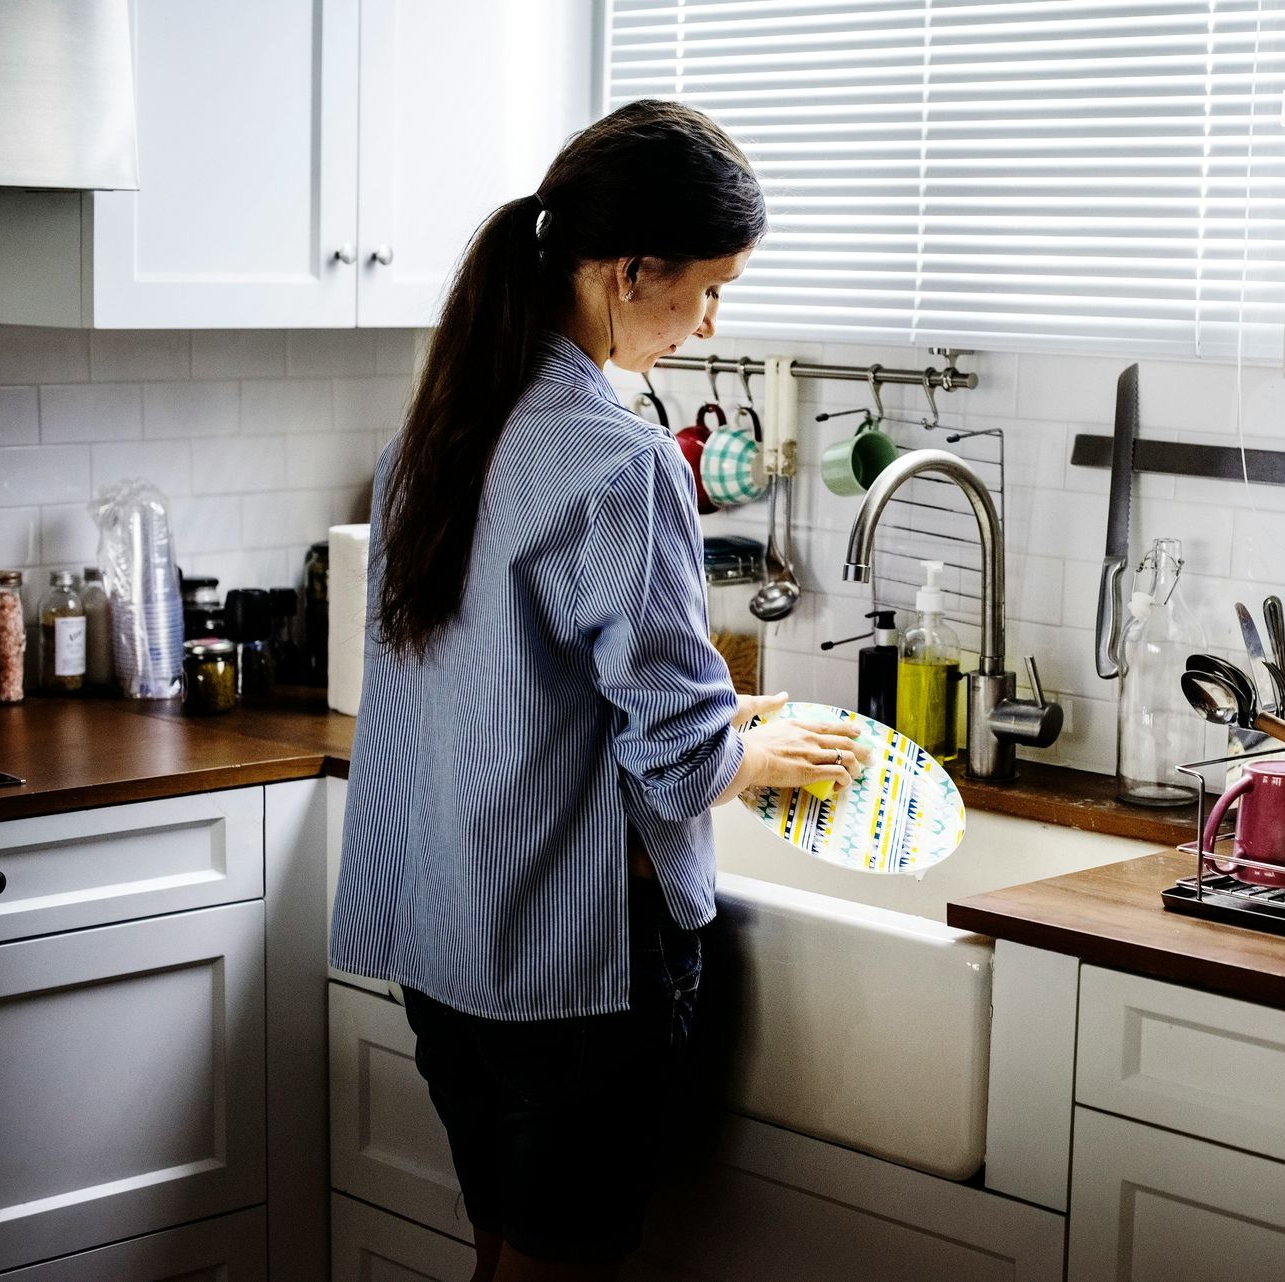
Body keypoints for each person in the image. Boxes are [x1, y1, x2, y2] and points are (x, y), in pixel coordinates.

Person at [329, 99, 869, 1282]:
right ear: (633, 271)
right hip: (577, 965)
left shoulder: (431, 434)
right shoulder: (623, 464)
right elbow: (675, 764)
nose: (713, 319)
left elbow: (519, 690)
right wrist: (754, 753)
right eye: (710, 288)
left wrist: (724, 720)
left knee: (498, 1257)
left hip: (447, 935)